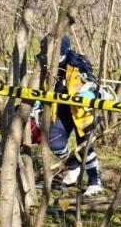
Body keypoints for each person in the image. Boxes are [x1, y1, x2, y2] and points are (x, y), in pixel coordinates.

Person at [38, 35, 104, 196]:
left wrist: (88, 91)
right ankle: (73, 167)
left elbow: (93, 84)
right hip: (60, 113)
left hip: (82, 114)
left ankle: (95, 182)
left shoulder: (78, 65)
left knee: (85, 148)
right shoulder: (44, 66)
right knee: (54, 142)